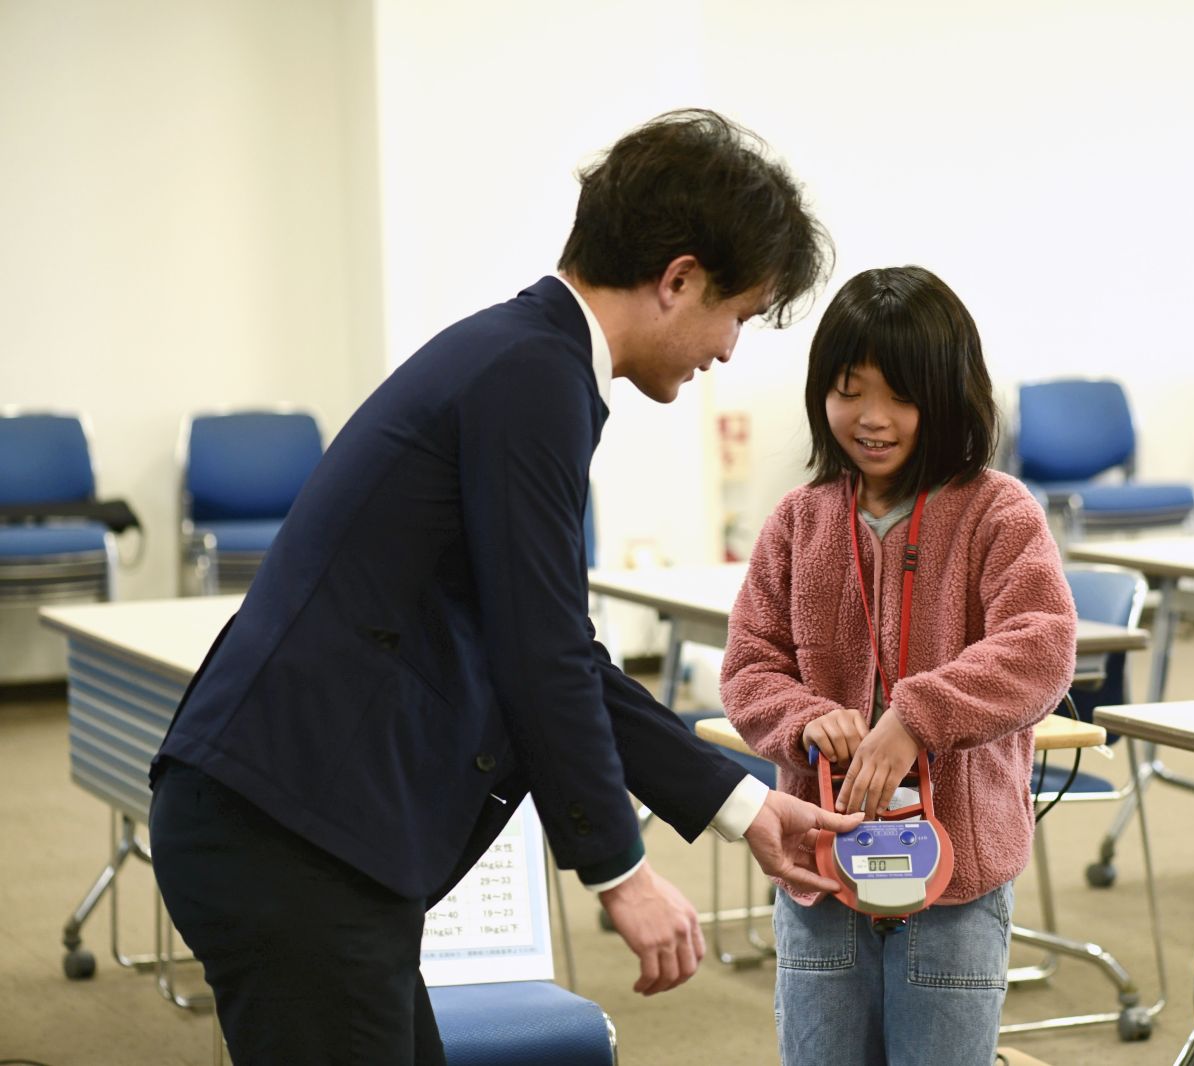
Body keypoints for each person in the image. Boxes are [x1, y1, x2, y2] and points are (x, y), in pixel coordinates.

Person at [148, 109, 861, 1065]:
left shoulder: (526, 359)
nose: (730, 348)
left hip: (306, 828)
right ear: (679, 279)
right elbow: (542, 653)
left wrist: (747, 806)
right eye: (736, 312)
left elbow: (558, 651)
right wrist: (620, 873)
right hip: (292, 830)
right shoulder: (532, 376)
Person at [720, 265, 1077, 1066]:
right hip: (821, 875)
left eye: (901, 396)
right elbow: (749, 666)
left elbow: (1042, 644)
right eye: (848, 391)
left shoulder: (997, 512)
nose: (871, 419)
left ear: (948, 396)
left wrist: (919, 717)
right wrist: (805, 717)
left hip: (954, 881)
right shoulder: (799, 521)